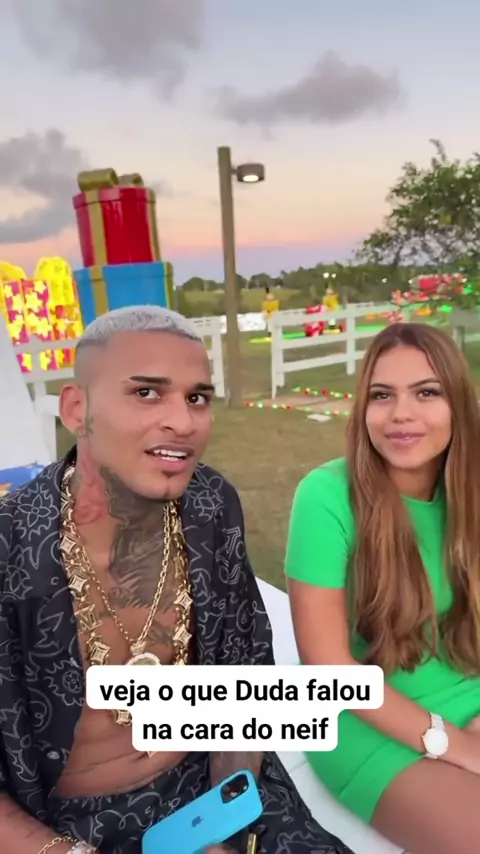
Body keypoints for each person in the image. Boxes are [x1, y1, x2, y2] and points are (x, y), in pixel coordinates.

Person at [0, 305, 353, 854]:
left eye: (197, 398)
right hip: (60, 830)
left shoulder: (210, 505)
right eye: (146, 392)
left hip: (211, 788)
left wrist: (222, 822)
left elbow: (244, 673)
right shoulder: (11, 546)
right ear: (77, 408)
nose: (183, 422)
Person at [284, 321, 480, 854]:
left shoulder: (470, 493)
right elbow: (328, 666)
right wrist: (453, 743)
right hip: (358, 714)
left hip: (466, 684)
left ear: (458, 404)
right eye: (382, 395)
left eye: (427, 393)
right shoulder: (326, 496)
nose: (401, 414)